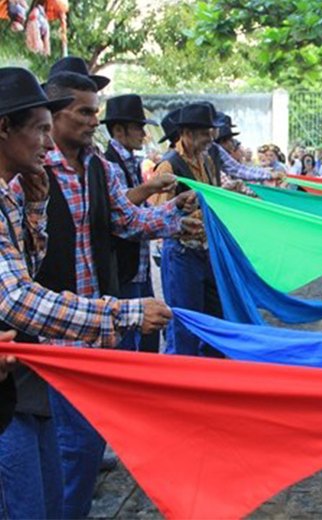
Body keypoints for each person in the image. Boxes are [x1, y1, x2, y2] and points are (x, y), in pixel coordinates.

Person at [0, 66, 176, 519]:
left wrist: (174, 214)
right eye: (40, 128)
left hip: (60, 343)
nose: (92, 121)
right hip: (43, 347)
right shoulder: (20, 182)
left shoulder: (64, 177)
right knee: (40, 483)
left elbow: (27, 265)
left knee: (64, 470)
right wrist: (122, 314)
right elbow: (17, 295)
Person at [41, 63, 194, 519]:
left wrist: (176, 219)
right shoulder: (29, 172)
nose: (92, 121)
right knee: (71, 447)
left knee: (81, 445)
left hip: (97, 326)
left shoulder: (100, 169)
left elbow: (127, 222)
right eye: (84, 113)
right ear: (54, 115)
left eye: (95, 112)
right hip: (52, 332)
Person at [154, 103, 228, 359]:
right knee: (183, 323)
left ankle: (211, 377)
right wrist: (191, 213)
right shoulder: (168, 167)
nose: (211, 138)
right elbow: (157, 214)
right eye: (206, 132)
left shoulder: (206, 161)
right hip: (182, 254)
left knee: (215, 317)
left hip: (207, 252)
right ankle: (180, 380)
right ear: (187, 133)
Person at [101, 93, 173, 353]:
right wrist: (152, 188)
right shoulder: (108, 163)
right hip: (124, 265)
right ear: (119, 130)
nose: (143, 134)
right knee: (128, 336)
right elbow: (122, 208)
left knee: (148, 333)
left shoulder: (129, 161)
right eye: (138, 127)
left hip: (137, 264)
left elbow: (139, 211)